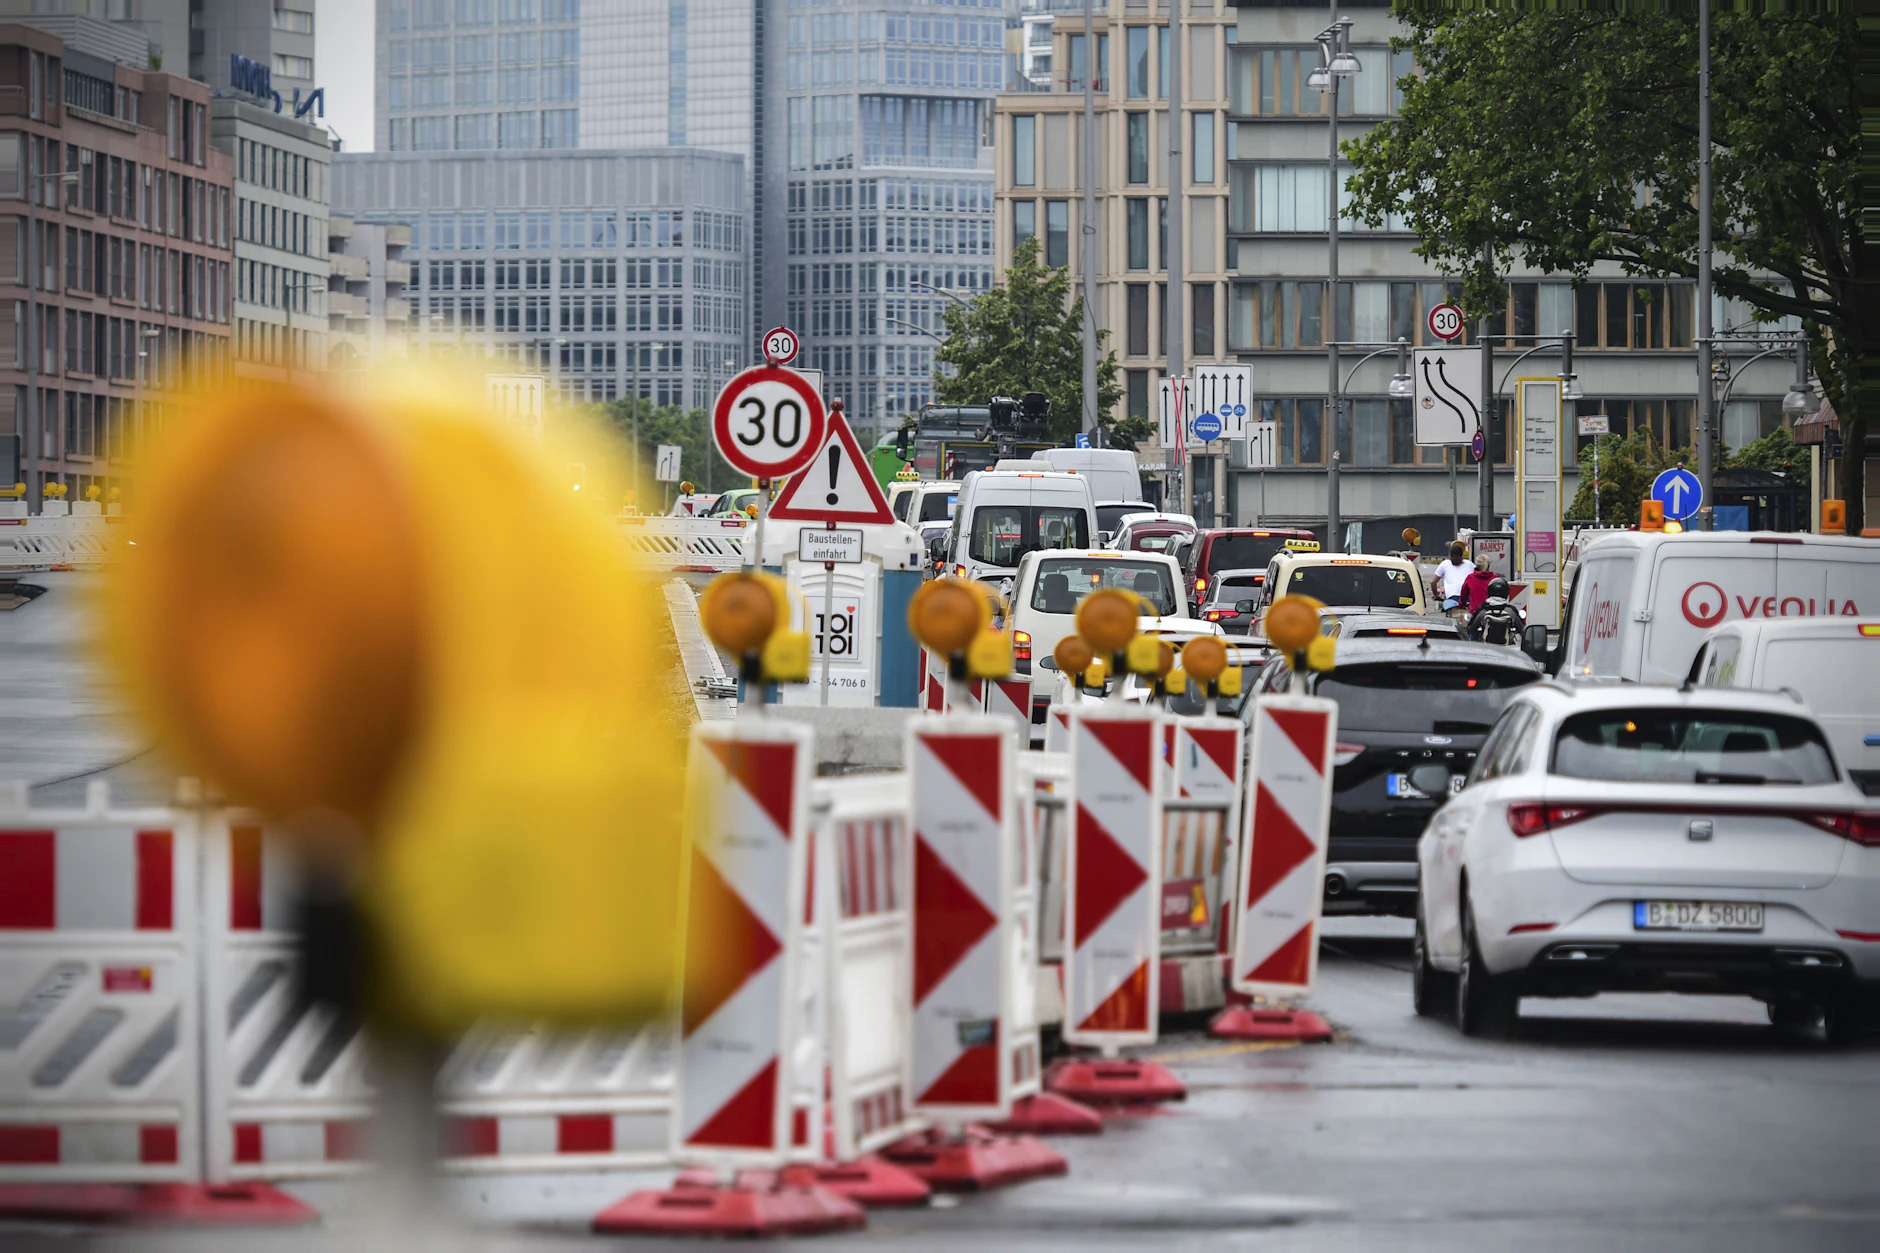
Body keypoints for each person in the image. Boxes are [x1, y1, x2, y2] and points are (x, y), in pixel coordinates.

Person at [1467, 577, 1526, 646]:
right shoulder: (1510, 610)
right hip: (1507, 648)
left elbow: (1471, 628)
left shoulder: (1483, 609)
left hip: (1486, 647)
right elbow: (1522, 628)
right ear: (1506, 592)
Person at [1431, 542, 1473, 620]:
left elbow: (1433, 582)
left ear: (1450, 556)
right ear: (1462, 556)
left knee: (1451, 619)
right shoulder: (1470, 564)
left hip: (1452, 599)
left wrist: (1436, 595)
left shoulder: (1445, 564)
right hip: (1468, 599)